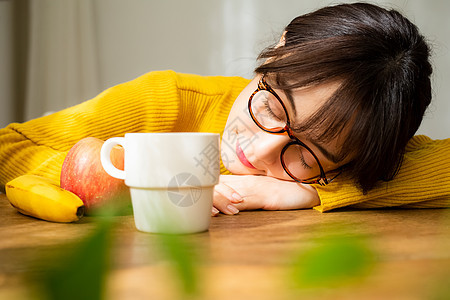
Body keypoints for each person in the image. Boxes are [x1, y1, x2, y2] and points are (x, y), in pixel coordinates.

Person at [0, 3, 449, 216]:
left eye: (307, 154)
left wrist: (315, 193)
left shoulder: (344, 161)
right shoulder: (169, 100)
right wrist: (135, 184)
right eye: (274, 106)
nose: (260, 151)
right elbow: (10, 146)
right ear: (277, 52)